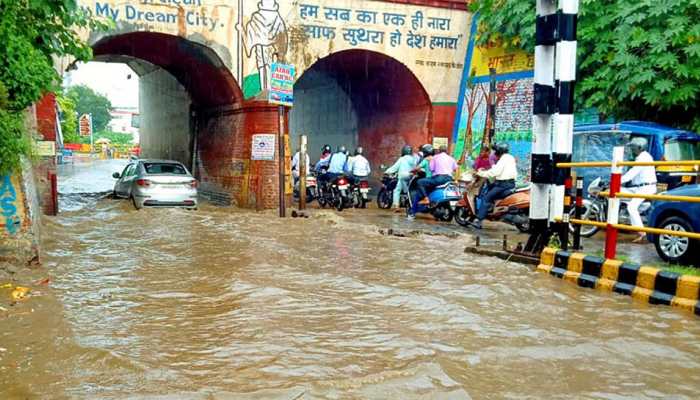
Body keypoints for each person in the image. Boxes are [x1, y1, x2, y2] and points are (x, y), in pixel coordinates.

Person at [472, 142, 517, 229]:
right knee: (492, 189)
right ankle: (493, 211)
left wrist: (481, 173)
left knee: (486, 198)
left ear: (499, 151)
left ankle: (478, 221)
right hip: (510, 184)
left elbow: (495, 172)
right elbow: (496, 169)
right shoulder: (510, 157)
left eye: (496, 150)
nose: (495, 153)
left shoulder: (503, 159)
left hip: (503, 184)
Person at [621, 137, 657, 243]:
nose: (632, 149)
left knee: (632, 207)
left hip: (646, 188)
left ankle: (642, 233)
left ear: (639, 147)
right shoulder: (642, 157)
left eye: (633, 147)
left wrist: (616, 180)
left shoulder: (643, 158)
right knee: (619, 191)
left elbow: (631, 174)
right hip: (639, 187)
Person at [385, 145, 417, 212]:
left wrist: (387, 171)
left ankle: (396, 206)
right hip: (411, 176)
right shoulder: (414, 159)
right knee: (410, 190)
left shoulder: (402, 159)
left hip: (403, 176)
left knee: (397, 190)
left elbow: (395, 167)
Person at [407, 144, 434, 218]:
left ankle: (412, 213)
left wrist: (412, 171)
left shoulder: (426, 160)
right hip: (436, 180)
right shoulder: (435, 159)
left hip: (428, 180)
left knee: (418, 195)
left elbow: (417, 168)